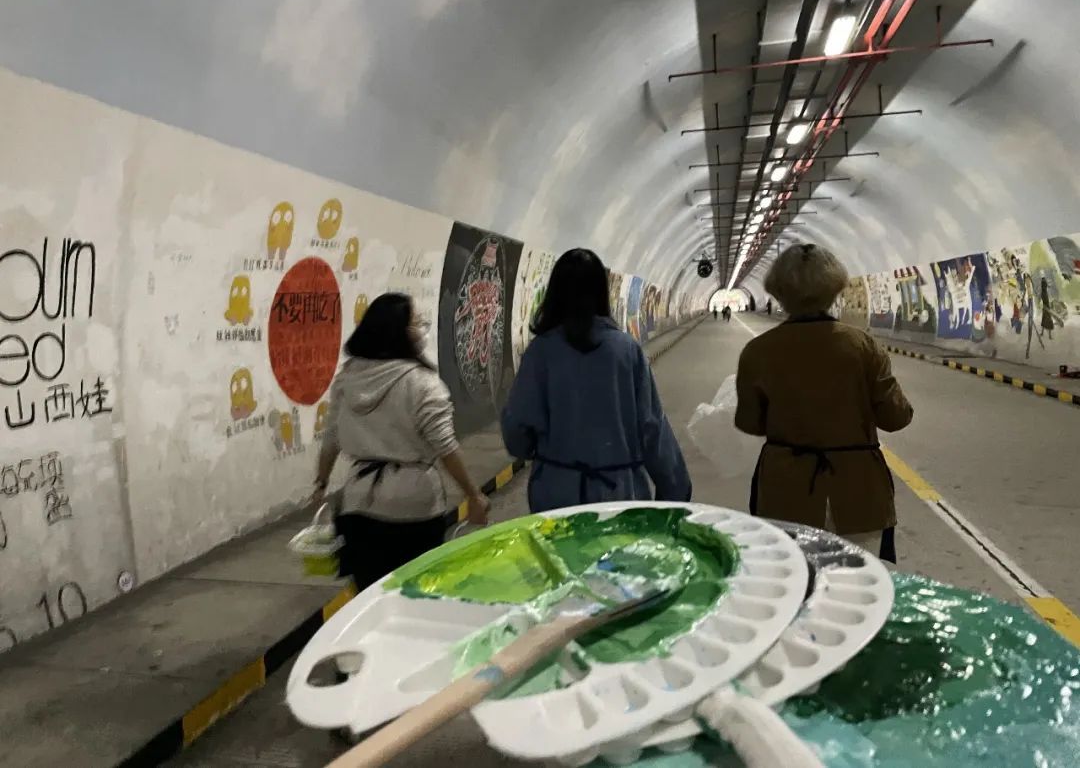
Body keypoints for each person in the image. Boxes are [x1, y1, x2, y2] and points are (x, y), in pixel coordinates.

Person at [734, 244, 913, 563]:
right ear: (834, 289)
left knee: (795, 581)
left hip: (785, 492)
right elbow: (896, 417)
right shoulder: (863, 346)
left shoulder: (758, 351)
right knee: (856, 583)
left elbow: (750, 422)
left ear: (778, 292)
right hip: (857, 492)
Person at [310, 293, 489, 590]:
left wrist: (321, 483)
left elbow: (331, 438)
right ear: (400, 332)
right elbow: (445, 447)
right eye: (416, 322)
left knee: (370, 593)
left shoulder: (347, 378)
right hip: (414, 503)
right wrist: (473, 495)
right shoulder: (422, 383)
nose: (421, 328)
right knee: (415, 590)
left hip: (358, 502)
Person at [501, 248, 692, 512]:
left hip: (556, 496)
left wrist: (535, 449)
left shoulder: (540, 353)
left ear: (554, 293)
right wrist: (674, 491)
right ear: (602, 292)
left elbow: (517, 430)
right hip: (619, 495)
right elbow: (653, 429)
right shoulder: (627, 351)